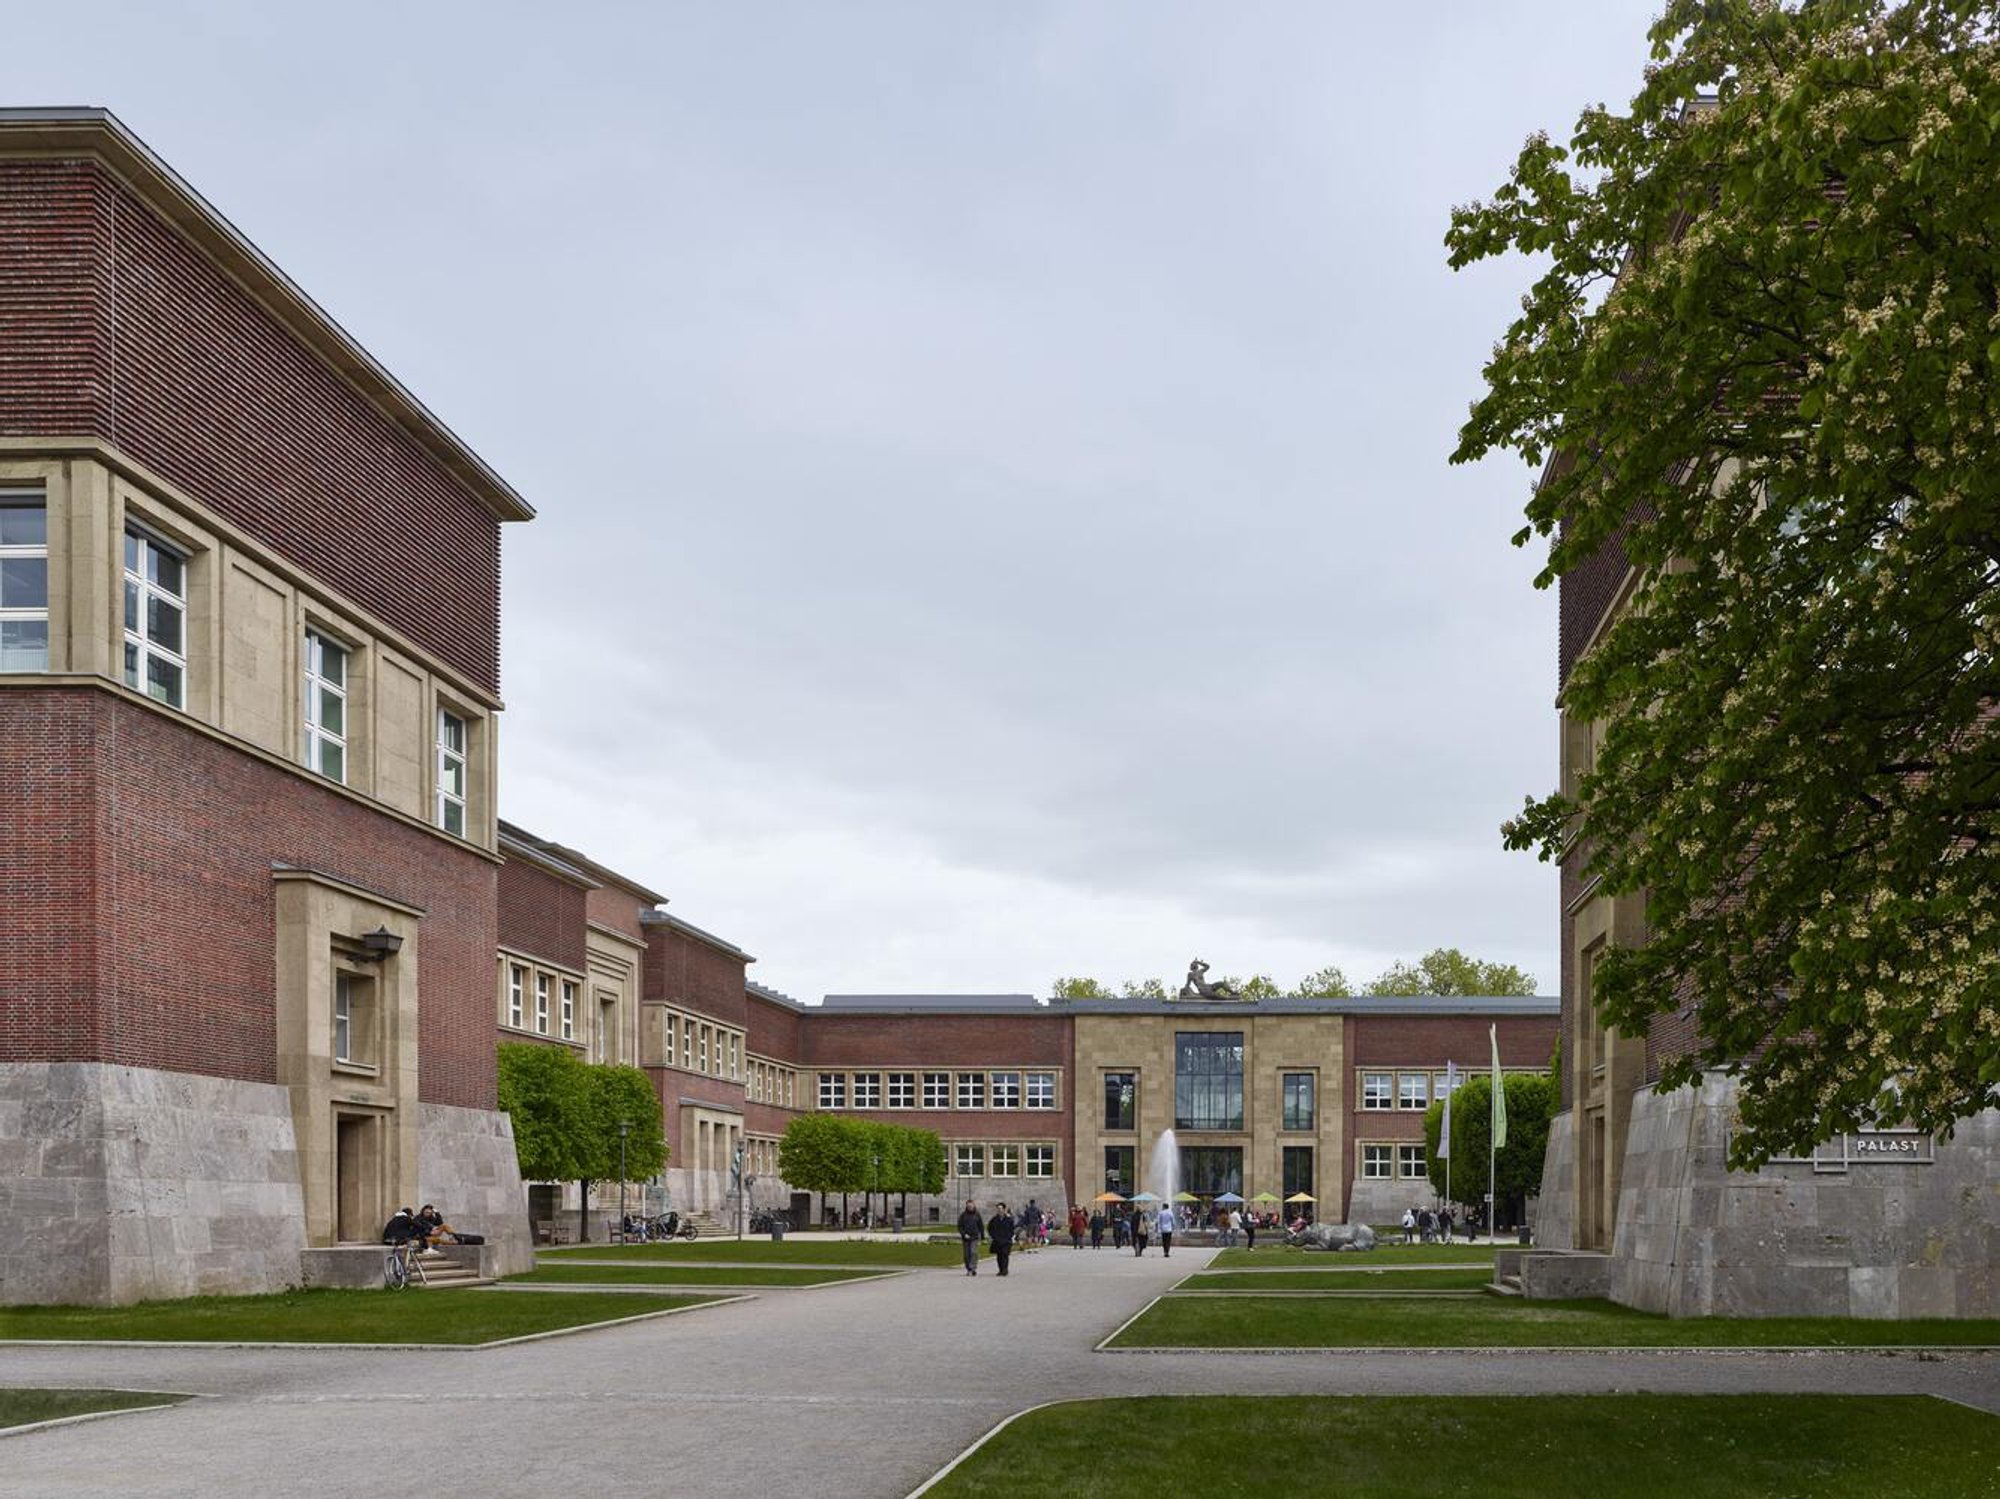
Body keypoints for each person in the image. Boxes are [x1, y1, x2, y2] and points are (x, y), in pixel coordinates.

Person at [988, 1201, 1016, 1277]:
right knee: (999, 1256)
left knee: (1005, 1255)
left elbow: (1012, 1229)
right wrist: (993, 1236)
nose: (999, 1210)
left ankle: (1005, 1269)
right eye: (998, 1208)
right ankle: (1000, 1269)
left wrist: (1010, 1236)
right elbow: (989, 1228)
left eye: (1000, 1208)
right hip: (997, 1240)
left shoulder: (1009, 1219)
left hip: (1006, 1240)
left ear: (1004, 1209)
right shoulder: (994, 1219)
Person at [957, 1200, 984, 1277]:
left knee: (973, 1252)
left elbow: (981, 1226)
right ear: (966, 1206)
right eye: (968, 1206)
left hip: (974, 1237)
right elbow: (959, 1227)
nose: (970, 1207)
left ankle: (972, 1268)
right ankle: (968, 1268)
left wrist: (982, 1236)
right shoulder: (963, 1215)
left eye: (971, 1206)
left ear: (974, 1206)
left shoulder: (977, 1215)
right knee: (966, 1255)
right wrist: (964, 1234)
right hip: (966, 1238)